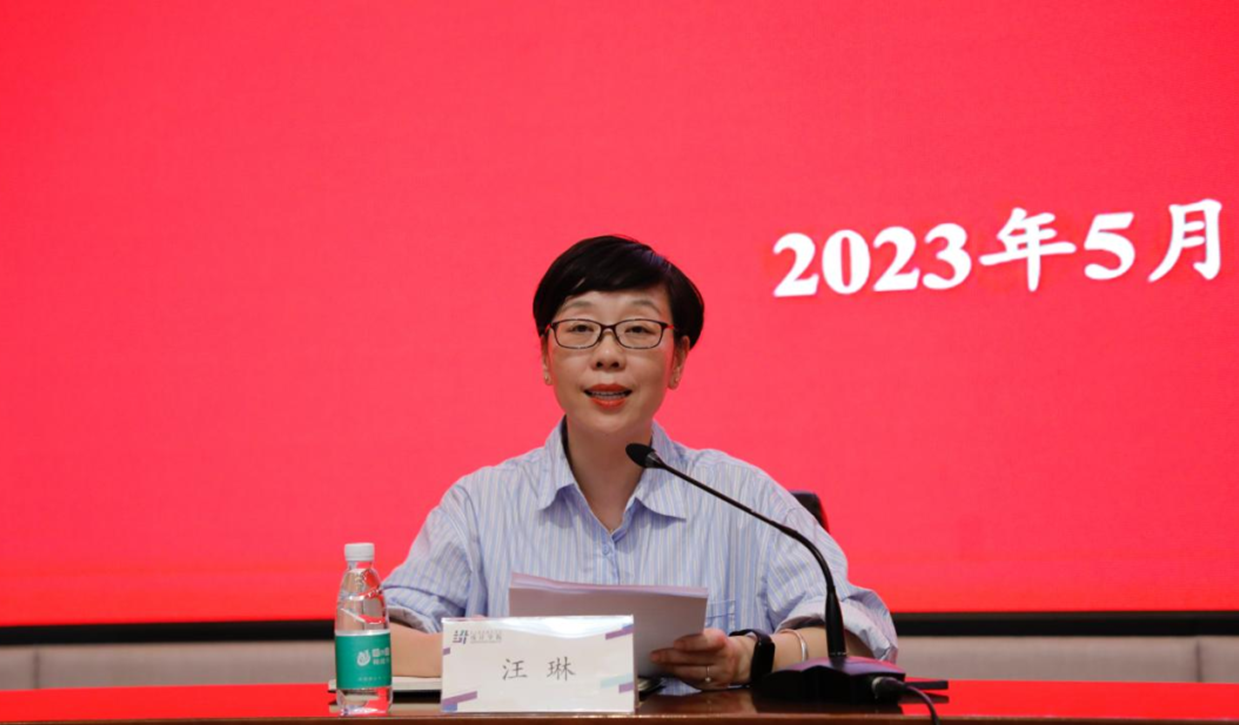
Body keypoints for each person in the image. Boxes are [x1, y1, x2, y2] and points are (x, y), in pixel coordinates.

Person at [383, 235, 897, 690]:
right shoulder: (479, 507)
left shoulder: (743, 499)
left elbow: (860, 635)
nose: (607, 355)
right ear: (544, 356)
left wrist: (749, 657)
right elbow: (375, 643)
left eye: (637, 330)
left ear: (678, 360)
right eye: (580, 328)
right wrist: (502, 650)